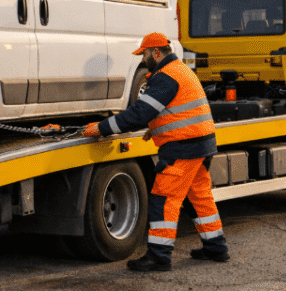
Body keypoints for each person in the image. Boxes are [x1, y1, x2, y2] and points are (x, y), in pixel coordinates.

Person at [82, 32, 229, 272]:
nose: (143, 59)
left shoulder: (164, 77)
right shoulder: (180, 70)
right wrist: (156, 127)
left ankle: (159, 256)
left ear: (156, 53)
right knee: (199, 196)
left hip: (184, 146)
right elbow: (176, 110)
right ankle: (216, 247)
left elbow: (139, 113)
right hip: (200, 143)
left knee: (163, 200)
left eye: (145, 54)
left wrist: (101, 128)